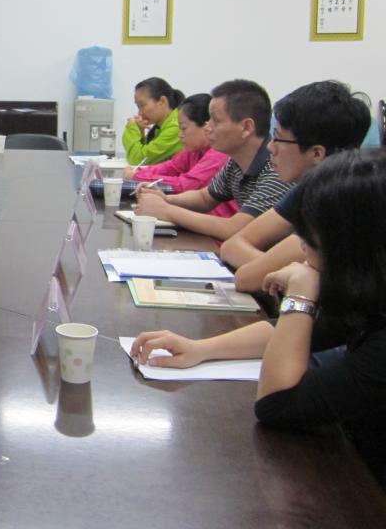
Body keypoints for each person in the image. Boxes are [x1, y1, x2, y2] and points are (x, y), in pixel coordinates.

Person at [130, 149, 386, 486]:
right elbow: (313, 330)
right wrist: (202, 348)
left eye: (312, 238)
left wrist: (301, 294)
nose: (302, 248)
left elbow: (276, 404)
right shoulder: (369, 294)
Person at [220, 81, 370, 292]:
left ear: (317, 153)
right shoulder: (305, 190)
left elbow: (246, 278)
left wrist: (266, 269)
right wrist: (287, 270)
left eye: (278, 138)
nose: (270, 147)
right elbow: (232, 245)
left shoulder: (340, 204)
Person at [135, 79, 291, 241]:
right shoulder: (236, 162)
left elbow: (236, 229)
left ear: (246, 127)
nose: (207, 127)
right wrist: (165, 198)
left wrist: (166, 210)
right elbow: (205, 198)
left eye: (215, 120)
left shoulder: (277, 169)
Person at [123, 93, 237, 218]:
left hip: (217, 221)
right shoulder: (194, 150)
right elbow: (171, 167)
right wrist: (139, 173)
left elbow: (186, 185)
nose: (180, 135)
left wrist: (137, 175)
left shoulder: (218, 154)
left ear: (206, 126)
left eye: (184, 128)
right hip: (199, 216)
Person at [122, 77, 184, 166]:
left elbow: (138, 160)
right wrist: (140, 133)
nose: (139, 113)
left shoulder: (176, 127)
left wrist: (132, 128)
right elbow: (148, 156)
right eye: (138, 107)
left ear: (162, 101)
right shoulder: (164, 126)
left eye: (142, 105)